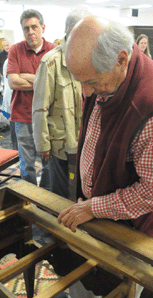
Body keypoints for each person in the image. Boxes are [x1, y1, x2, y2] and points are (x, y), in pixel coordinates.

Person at [49, 16, 153, 298]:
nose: (86, 92)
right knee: (86, 255)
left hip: (133, 217)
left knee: (124, 273)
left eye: (92, 82)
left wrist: (96, 205)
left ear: (122, 59)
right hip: (97, 198)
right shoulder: (107, 76)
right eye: (80, 81)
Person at [32, 8, 91, 199]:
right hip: (62, 142)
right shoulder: (51, 63)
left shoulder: (90, 59)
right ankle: (57, 225)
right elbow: (39, 108)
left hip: (85, 139)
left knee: (81, 186)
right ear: (73, 30)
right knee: (62, 190)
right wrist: (42, 144)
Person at [7, 9, 56, 188]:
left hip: (48, 117)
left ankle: (45, 198)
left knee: (48, 164)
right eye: (26, 28)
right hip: (22, 115)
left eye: (34, 27)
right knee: (26, 165)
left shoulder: (53, 51)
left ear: (43, 28)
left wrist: (25, 75)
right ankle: (29, 198)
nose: (30, 31)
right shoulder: (15, 50)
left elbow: (55, 85)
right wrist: (41, 81)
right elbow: (13, 82)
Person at [2, 58, 18, 150]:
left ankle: (16, 148)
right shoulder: (11, 60)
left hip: (13, 95)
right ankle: (15, 150)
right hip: (12, 95)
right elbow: (16, 80)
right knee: (14, 126)